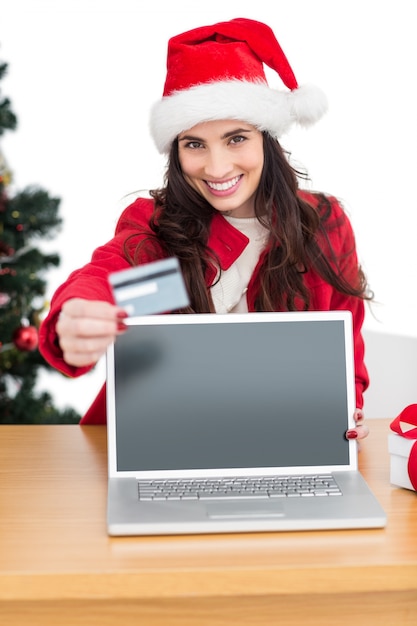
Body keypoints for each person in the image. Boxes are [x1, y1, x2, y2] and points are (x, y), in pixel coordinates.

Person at [39, 17, 371, 439]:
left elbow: (344, 348)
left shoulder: (324, 225)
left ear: (266, 139)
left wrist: (348, 407)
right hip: (156, 440)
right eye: (194, 144)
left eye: (236, 139)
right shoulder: (159, 230)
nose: (217, 168)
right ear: (176, 153)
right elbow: (108, 279)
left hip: (279, 441)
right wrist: (74, 316)